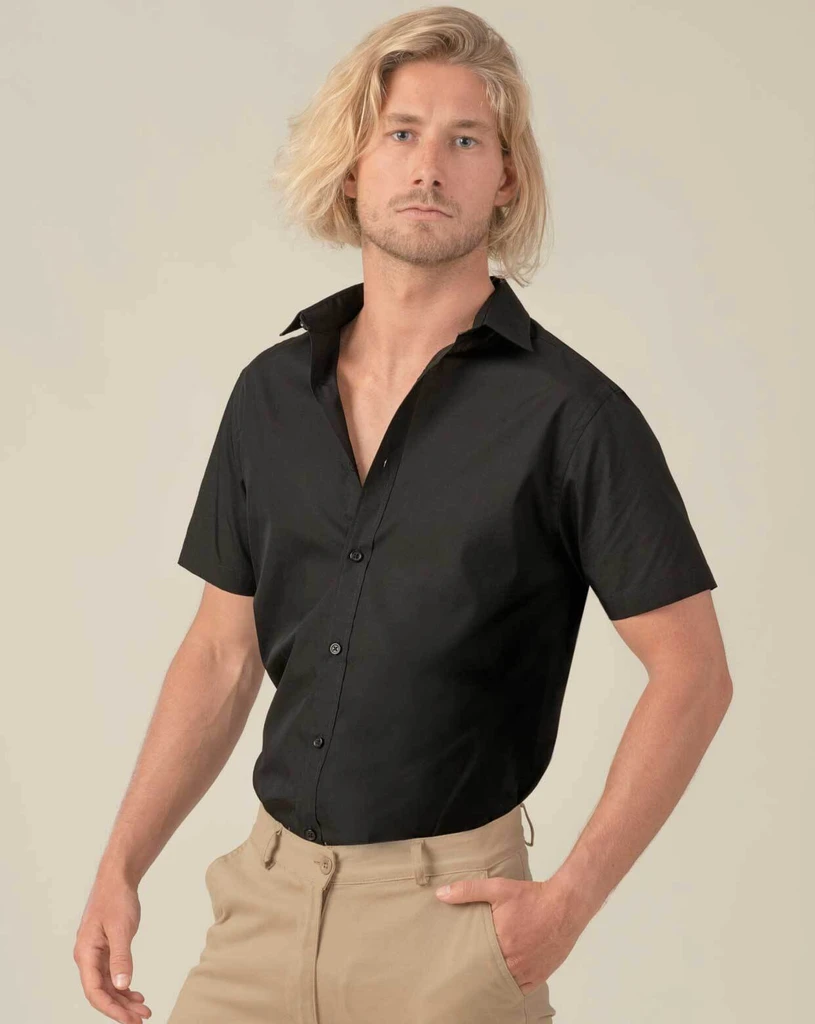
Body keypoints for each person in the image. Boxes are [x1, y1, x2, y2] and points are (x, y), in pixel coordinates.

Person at [73, 7, 732, 1024]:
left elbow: (692, 672)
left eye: (465, 140)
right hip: (262, 905)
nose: (428, 166)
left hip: (451, 929)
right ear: (353, 165)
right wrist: (120, 863)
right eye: (401, 133)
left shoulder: (570, 417)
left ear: (504, 178)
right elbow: (218, 654)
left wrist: (568, 902)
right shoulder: (269, 396)